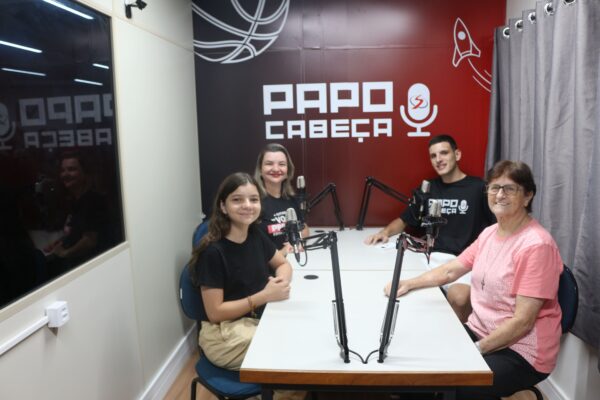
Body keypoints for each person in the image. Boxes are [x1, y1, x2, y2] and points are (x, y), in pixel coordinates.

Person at [384, 160, 563, 400]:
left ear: (527, 196)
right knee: (418, 364)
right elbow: (451, 270)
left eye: (509, 188)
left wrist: (474, 351)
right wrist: (408, 283)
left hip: (521, 350)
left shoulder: (537, 246)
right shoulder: (490, 233)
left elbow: (522, 322)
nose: (499, 195)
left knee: (461, 383)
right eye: (494, 187)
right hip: (481, 331)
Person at [189, 172, 303, 400]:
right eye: (237, 200)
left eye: (254, 199)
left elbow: (282, 264)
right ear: (223, 206)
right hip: (223, 332)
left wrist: (280, 282)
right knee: (294, 363)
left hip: (256, 318)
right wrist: (265, 296)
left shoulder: (255, 234)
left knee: (301, 343)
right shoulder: (213, 252)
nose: (247, 205)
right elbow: (215, 313)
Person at [365, 134, 495, 321]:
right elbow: (405, 219)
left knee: (459, 298)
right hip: (429, 257)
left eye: (444, 153)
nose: (438, 159)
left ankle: (457, 336)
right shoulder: (428, 188)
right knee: (398, 291)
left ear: (457, 154)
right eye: (433, 156)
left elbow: (497, 226)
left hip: (462, 261)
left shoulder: (479, 188)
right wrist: (385, 232)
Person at [46, 151, 109, 275]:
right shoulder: (75, 199)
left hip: (90, 269)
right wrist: (60, 242)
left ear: (84, 172)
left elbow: (90, 240)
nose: (65, 174)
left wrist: (65, 253)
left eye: (71, 169)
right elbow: (78, 231)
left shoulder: (93, 200)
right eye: (63, 170)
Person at [254, 143, 309, 257]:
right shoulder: (253, 202)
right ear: (260, 169)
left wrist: (296, 240)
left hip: (287, 263)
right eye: (269, 164)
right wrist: (284, 251)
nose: (276, 169)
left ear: (288, 170)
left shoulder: (291, 199)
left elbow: (304, 228)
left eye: (282, 164)